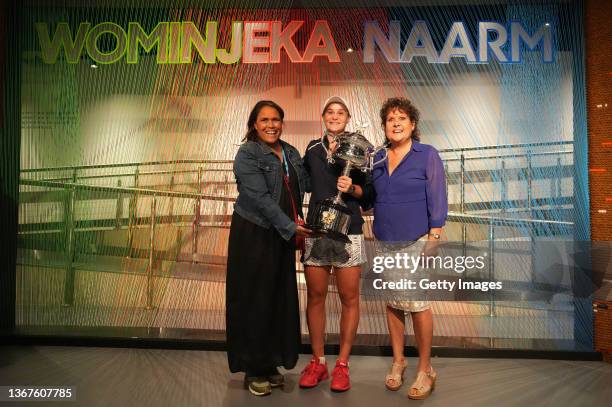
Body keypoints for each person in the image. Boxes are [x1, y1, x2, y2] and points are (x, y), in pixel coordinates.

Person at [225, 100, 312, 396]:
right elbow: (260, 199)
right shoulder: (248, 153)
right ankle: (253, 368)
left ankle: (271, 363)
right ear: (254, 124)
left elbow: (305, 184)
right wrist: (290, 227)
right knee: (254, 300)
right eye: (264, 120)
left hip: (282, 234)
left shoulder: (290, 151)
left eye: (276, 119)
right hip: (255, 233)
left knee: (279, 299)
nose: (271, 125)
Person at [364, 97, 447, 400]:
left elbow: (438, 194)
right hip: (385, 240)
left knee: (418, 304)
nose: (395, 123)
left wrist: (434, 235)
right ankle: (399, 361)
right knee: (394, 302)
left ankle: (425, 368)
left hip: (416, 240)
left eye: (401, 118)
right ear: (384, 126)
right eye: (390, 119)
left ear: (413, 124)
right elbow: (370, 198)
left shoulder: (427, 155)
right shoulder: (377, 158)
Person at [299, 96, 368, 392]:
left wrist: (352, 188)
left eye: (341, 112)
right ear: (323, 116)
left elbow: (371, 193)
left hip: (348, 230)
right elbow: (302, 184)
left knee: (349, 298)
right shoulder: (313, 149)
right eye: (330, 111)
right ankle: (318, 362)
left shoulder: (362, 148)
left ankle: (342, 364)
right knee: (315, 296)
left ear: (348, 117)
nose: (335, 115)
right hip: (317, 230)